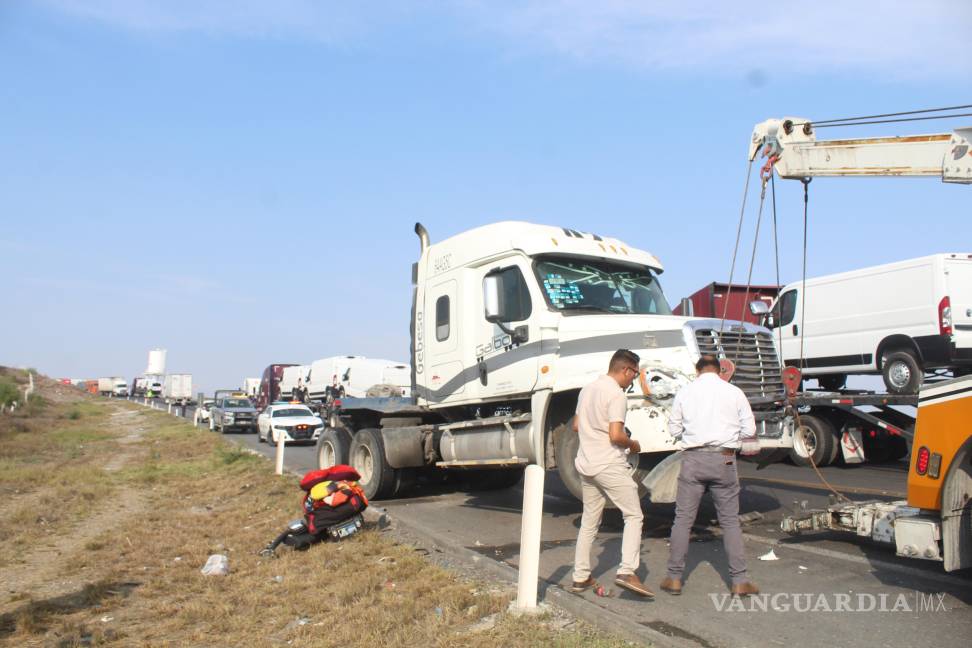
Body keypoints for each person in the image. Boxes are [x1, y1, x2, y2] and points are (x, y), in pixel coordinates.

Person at [661, 354, 761, 597]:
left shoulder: (685, 392)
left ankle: (674, 578)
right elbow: (750, 429)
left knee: (683, 519)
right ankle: (739, 580)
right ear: (720, 371)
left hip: (693, 459)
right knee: (729, 521)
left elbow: (673, 429)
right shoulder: (734, 392)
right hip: (724, 458)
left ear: (698, 371)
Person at [571, 349, 653, 598]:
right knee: (633, 515)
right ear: (625, 370)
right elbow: (616, 435)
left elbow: (576, 425)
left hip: (586, 464)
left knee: (589, 522)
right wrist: (633, 444)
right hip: (608, 464)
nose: (634, 380)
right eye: (634, 374)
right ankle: (627, 571)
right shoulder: (616, 395)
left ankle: (580, 576)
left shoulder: (588, 389)